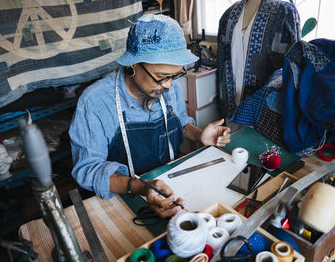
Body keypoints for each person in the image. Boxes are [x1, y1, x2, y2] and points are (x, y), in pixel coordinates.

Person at [69, 14, 231, 218]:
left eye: (175, 75)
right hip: (121, 195)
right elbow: (87, 169)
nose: (169, 85)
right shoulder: (95, 102)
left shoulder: (167, 88)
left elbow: (179, 121)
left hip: (169, 183)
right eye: (162, 77)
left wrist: (199, 135)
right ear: (132, 65)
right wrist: (141, 187)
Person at [217, 0, 301, 131]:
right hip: (231, 102)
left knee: (261, 150)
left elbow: (294, 66)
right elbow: (222, 62)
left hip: (266, 107)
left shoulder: (284, 12)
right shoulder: (229, 14)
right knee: (233, 149)